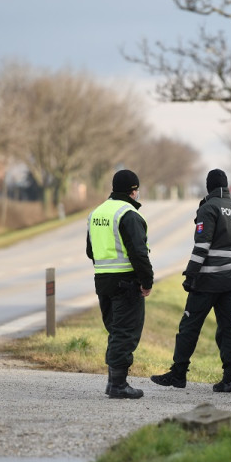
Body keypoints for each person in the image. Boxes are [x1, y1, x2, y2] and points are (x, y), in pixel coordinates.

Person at [151, 169, 231, 393]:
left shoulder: (209, 208)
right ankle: (229, 380)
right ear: (226, 185)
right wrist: (230, 269)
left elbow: (202, 246)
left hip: (207, 281)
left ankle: (178, 374)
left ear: (209, 186)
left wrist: (191, 274)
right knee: (228, 328)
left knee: (189, 325)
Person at [86, 169, 153, 399]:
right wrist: (147, 281)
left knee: (115, 330)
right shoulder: (129, 214)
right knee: (125, 332)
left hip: (103, 280)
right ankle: (118, 385)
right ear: (133, 191)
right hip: (126, 282)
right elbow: (139, 253)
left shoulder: (97, 212)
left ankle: (113, 381)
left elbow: (89, 251)